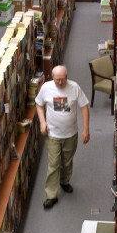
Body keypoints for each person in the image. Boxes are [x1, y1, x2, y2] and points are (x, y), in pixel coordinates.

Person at [34, 65, 90, 209]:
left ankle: (64, 181)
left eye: (63, 79)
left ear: (67, 77)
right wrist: (42, 122)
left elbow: (84, 106)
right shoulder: (46, 88)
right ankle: (51, 195)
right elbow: (39, 104)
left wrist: (86, 129)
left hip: (71, 134)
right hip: (53, 134)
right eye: (57, 80)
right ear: (52, 78)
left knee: (67, 161)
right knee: (53, 164)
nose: (60, 83)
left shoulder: (74, 87)